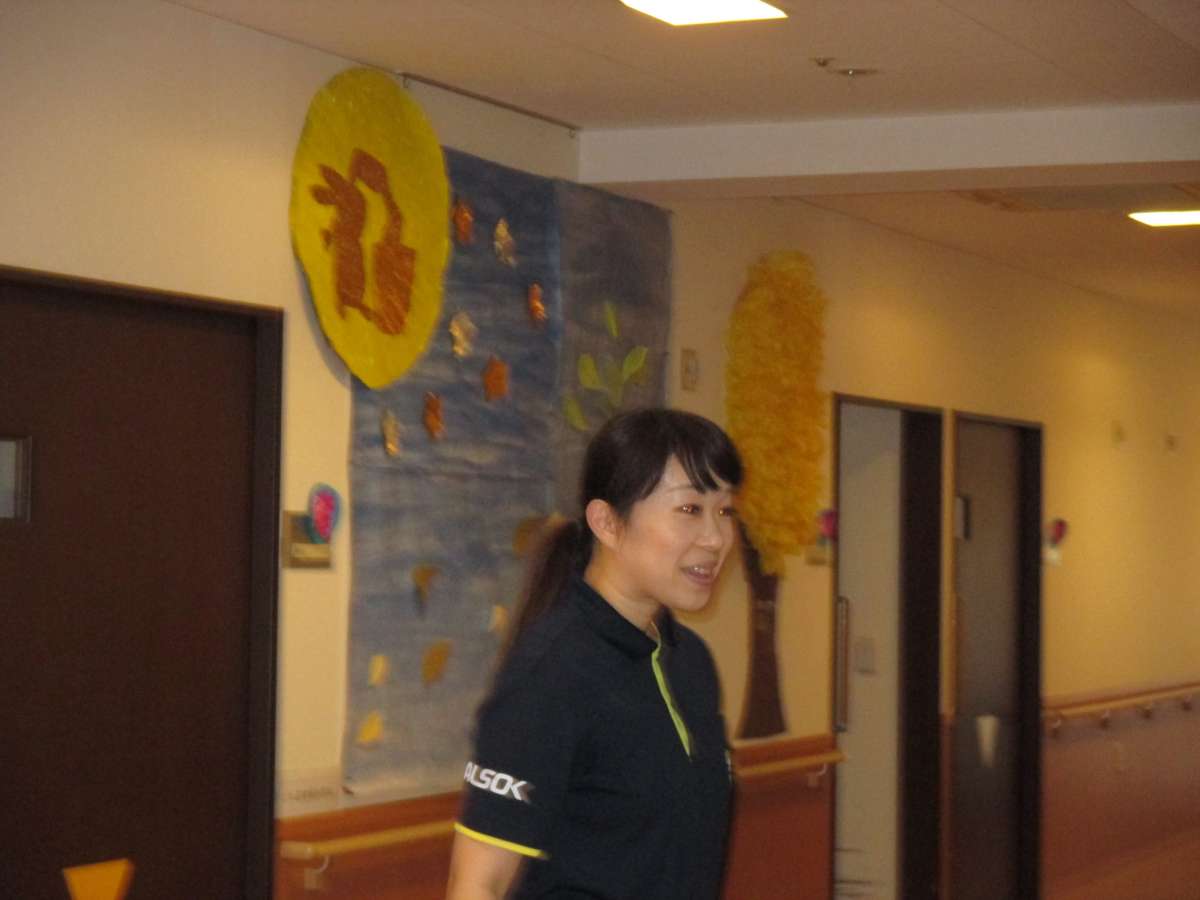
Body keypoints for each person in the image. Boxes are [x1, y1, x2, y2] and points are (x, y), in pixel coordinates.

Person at [446, 408, 744, 900]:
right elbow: (478, 884)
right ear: (607, 522)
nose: (716, 538)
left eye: (725, 510)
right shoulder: (552, 672)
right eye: (690, 509)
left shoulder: (690, 661)